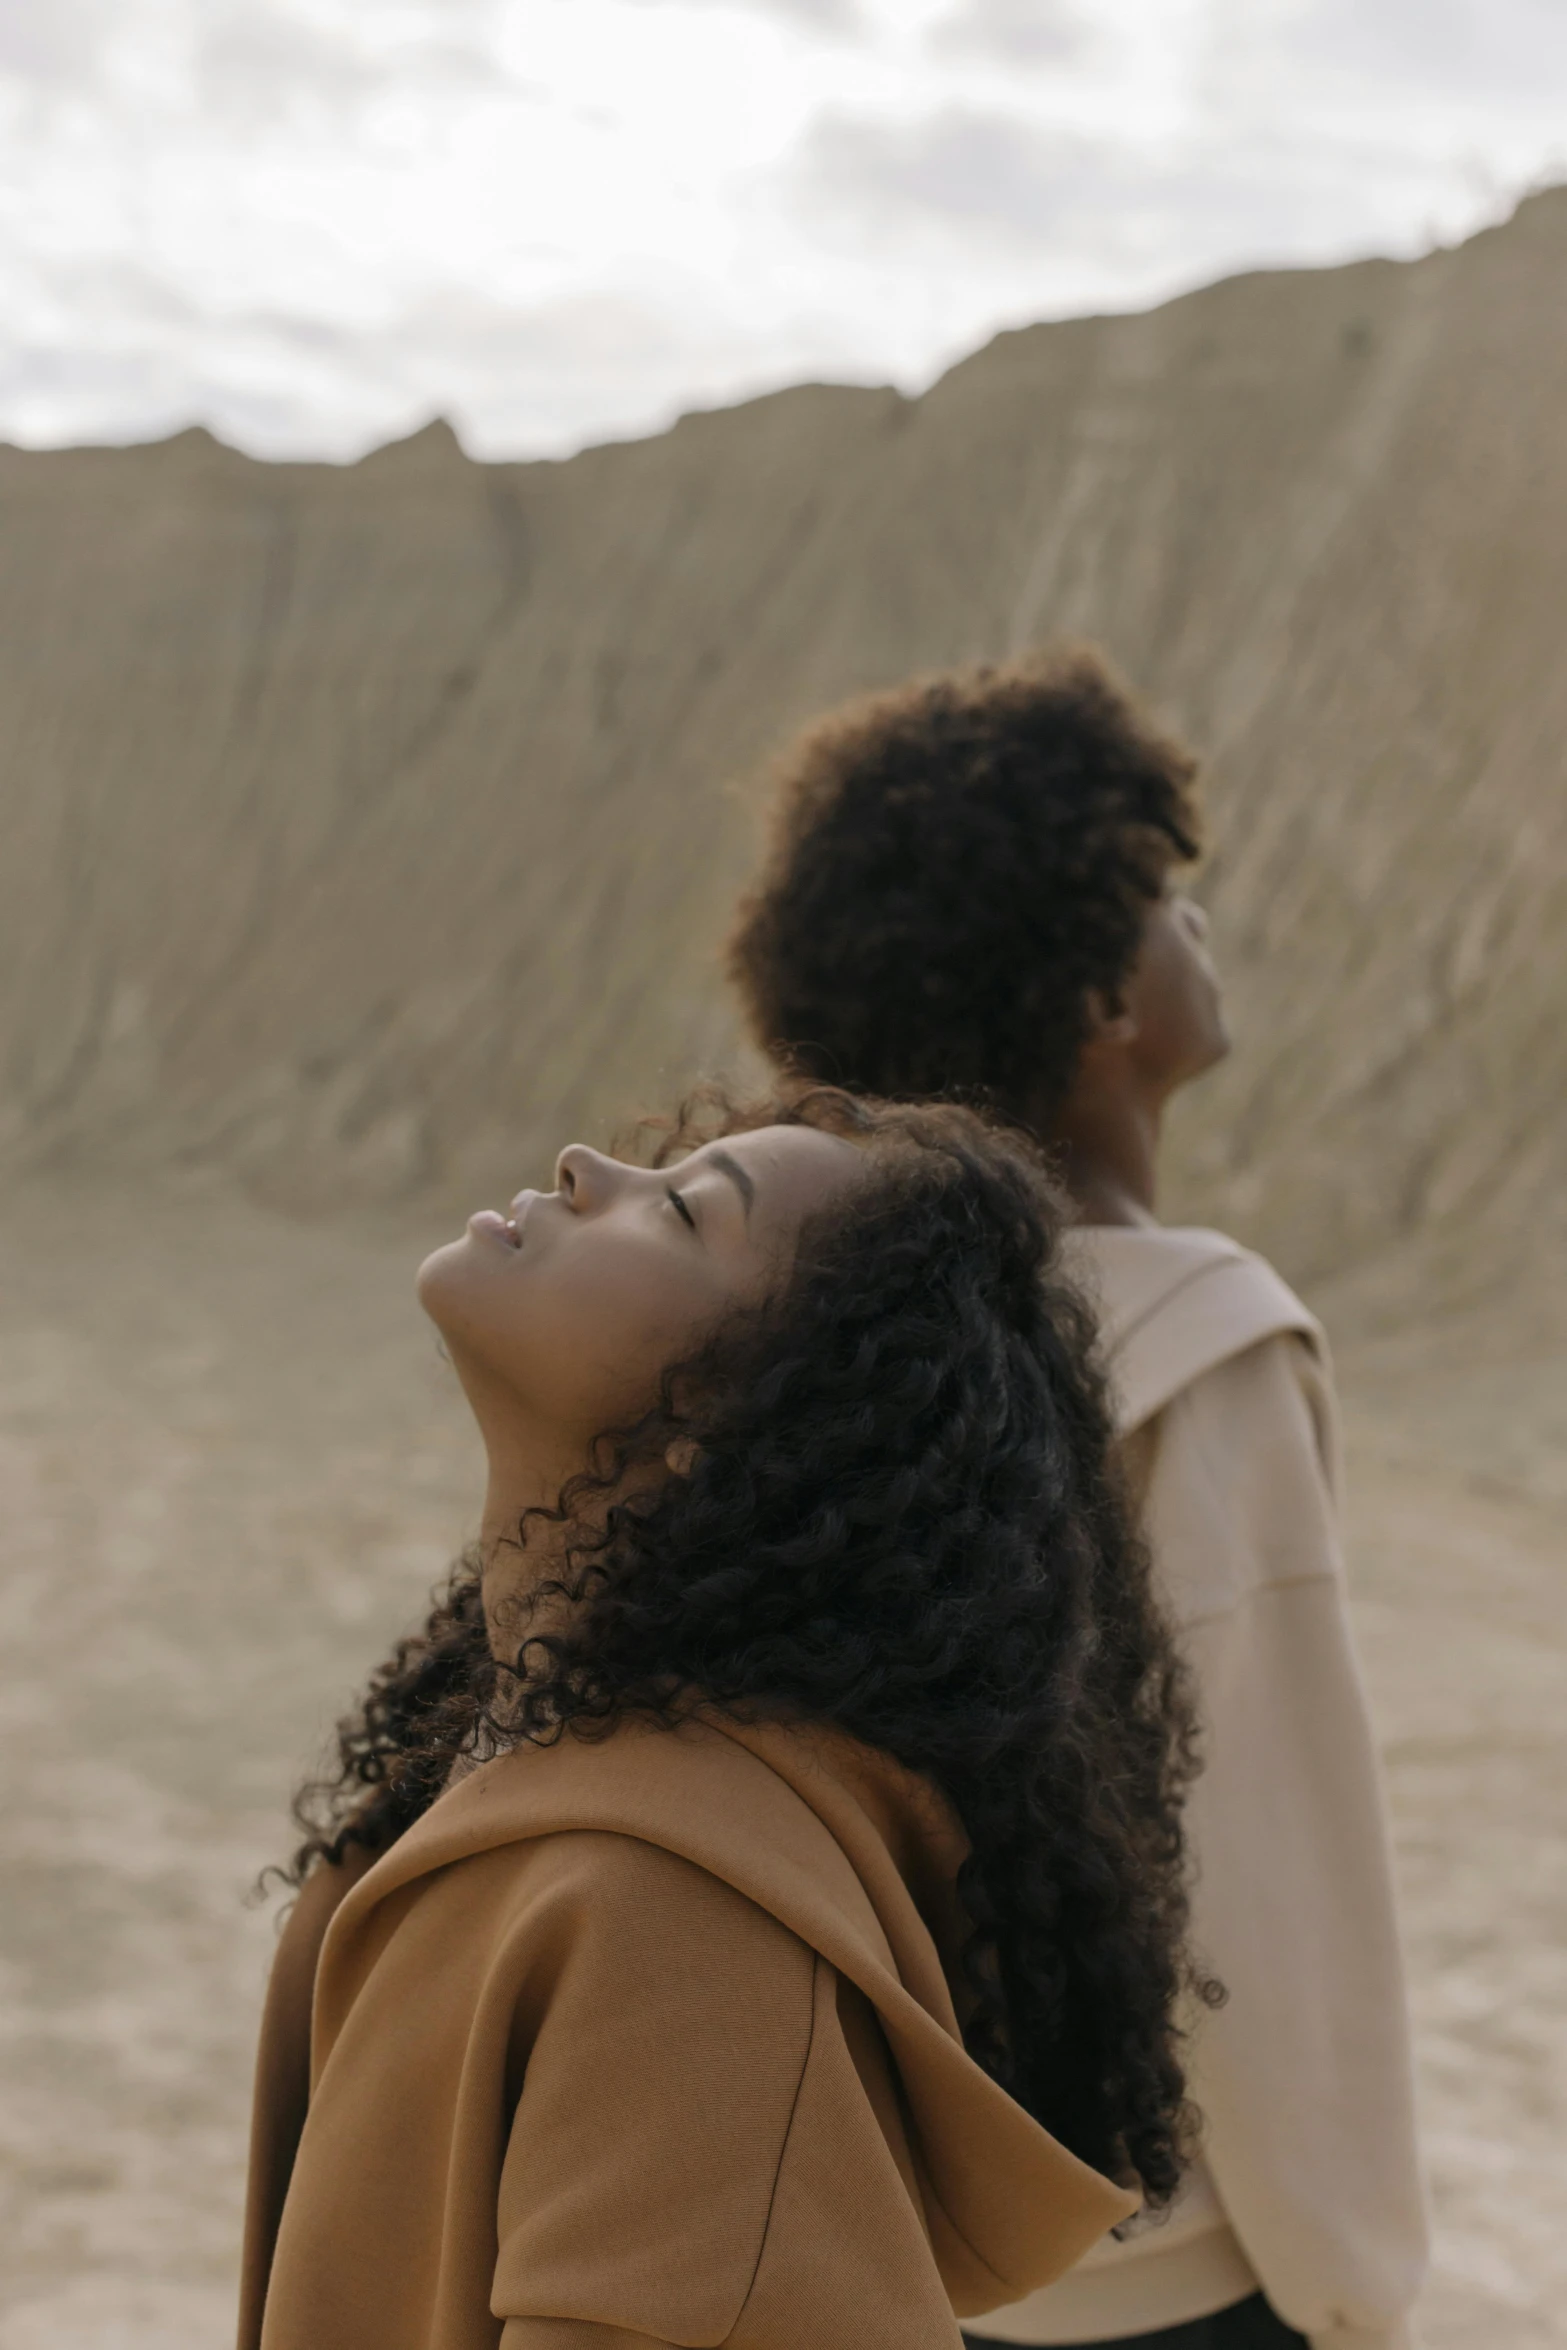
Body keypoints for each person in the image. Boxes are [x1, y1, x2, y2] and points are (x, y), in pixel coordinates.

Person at [238, 1085, 1211, 2350]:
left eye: (687, 1211)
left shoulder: (686, 1938)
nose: (589, 1165)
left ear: (741, 1421)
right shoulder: (519, 1758)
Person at [727, 653, 1429, 2350]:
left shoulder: (831, 1345)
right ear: (1103, 997)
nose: (1200, 935)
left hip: (923, 2232)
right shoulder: (1202, 1344)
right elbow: (1263, 1860)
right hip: (1180, 2266)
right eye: (1170, 904)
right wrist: (1346, 2286)